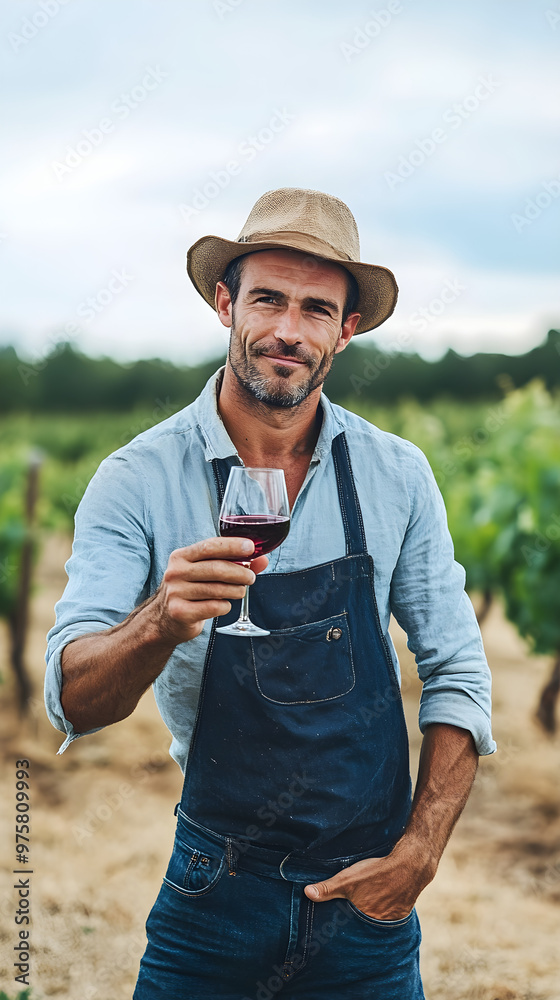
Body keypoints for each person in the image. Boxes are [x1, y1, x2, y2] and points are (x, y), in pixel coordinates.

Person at [45, 187, 496, 999]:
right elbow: (75, 701)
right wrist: (158, 621)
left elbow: (459, 671)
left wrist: (419, 855)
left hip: (365, 908)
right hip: (211, 896)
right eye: (268, 300)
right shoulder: (136, 480)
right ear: (226, 304)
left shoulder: (397, 477)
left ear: (346, 331)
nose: (289, 330)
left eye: (317, 309)